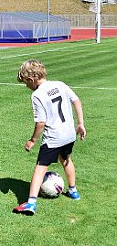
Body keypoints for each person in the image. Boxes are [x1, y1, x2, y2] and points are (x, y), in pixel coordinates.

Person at [13, 59, 86, 216]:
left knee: (40, 168)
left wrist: (32, 140)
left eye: (26, 83)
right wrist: (80, 123)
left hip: (54, 137)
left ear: (31, 79)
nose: (26, 86)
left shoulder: (37, 94)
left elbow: (41, 122)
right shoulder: (60, 84)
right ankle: (73, 191)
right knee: (66, 160)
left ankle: (31, 203)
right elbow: (77, 101)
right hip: (69, 134)